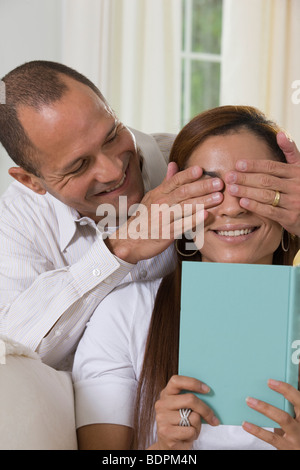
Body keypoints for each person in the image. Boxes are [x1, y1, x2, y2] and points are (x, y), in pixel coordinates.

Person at [0, 60, 300, 368]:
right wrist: (122, 247)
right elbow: (11, 355)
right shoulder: (20, 222)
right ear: (30, 181)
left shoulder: (192, 154)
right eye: (79, 166)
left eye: (111, 135)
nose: (114, 170)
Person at [72, 105, 300, 451]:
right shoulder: (124, 313)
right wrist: (166, 451)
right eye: (209, 187)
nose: (232, 208)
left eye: (253, 185)